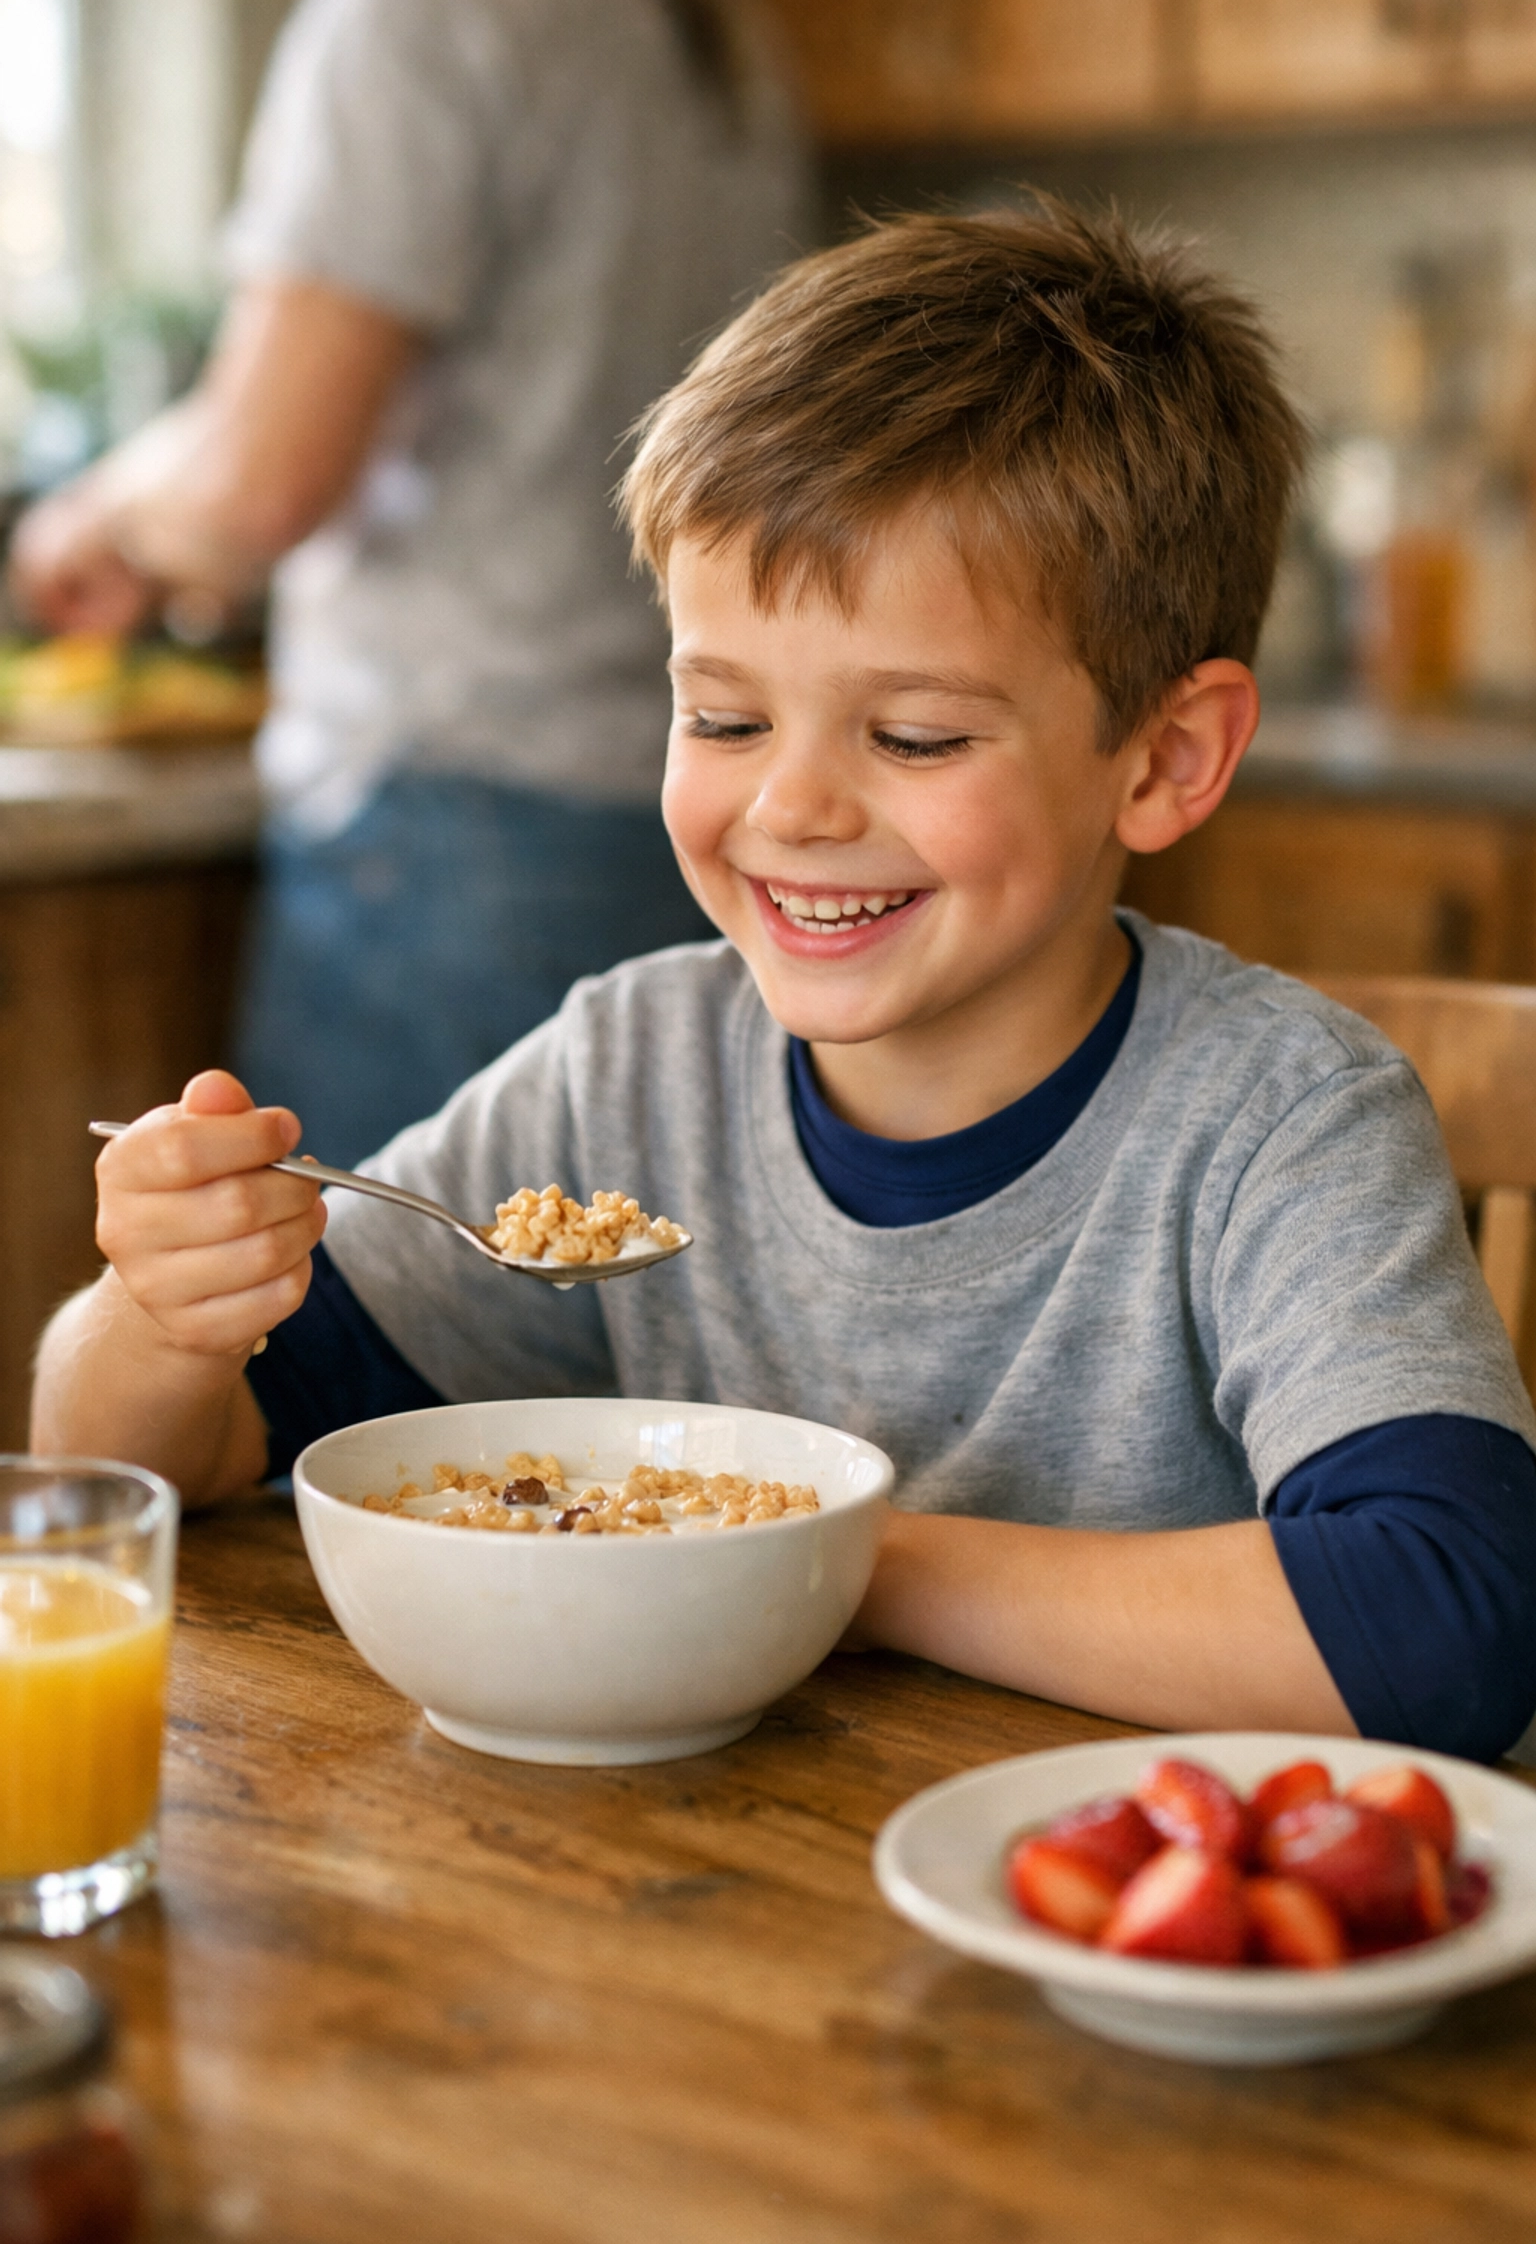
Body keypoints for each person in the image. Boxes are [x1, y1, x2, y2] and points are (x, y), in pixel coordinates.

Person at [32, 202, 1536, 1760]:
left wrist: (828, 1558)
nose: (793, 808)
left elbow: (1450, 1628)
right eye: (725, 720)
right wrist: (163, 1313)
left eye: (916, 736)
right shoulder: (632, 1072)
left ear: (1163, 760)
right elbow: (134, 1466)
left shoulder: (1280, 1122)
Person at [7, 0, 808, 1164]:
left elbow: (258, 484)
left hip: (455, 815)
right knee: (621, 1259)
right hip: (671, 788)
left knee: (369, 1280)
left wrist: (92, 525)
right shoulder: (706, 23)